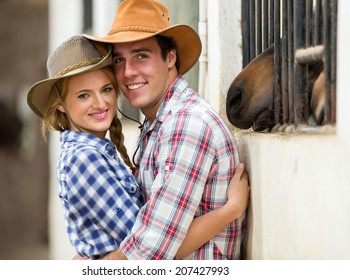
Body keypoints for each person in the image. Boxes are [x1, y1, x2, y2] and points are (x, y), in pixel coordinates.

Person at [26, 35, 249, 260]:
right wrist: (230, 210)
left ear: (171, 57)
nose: (101, 103)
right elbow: (148, 247)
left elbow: (149, 245)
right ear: (61, 106)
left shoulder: (178, 123)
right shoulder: (86, 159)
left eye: (106, 90)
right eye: (84, 95)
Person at [84, 0, 249, 260]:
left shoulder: (186, 125)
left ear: (170, 57)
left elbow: (150, 252)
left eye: (141, 56)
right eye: (119, 60)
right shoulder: (158, 124)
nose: (127, 72)